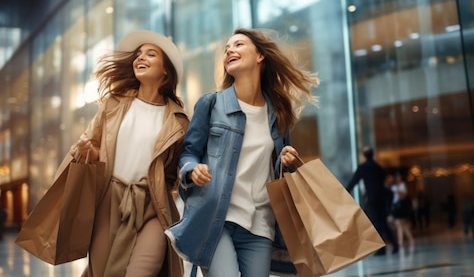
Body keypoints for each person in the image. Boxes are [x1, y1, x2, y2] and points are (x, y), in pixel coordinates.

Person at [165, 28, 320, 277]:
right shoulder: (211, 104)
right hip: (216, 219)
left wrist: (288, 160)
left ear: (260, 56)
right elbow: (188, 153)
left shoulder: (277, 113)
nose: (229, 51)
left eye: (238, 45)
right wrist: (192, 169)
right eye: (227, 49)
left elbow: (280, 169)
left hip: (261, 224)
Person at [70, 30, 189, 276]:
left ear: (165, 69)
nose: (139, 58)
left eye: (150, 54)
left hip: (154, 205)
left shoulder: (179, 120)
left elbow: (175, 172)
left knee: (143, 271)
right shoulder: (114, 104)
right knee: (103, 271)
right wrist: (86, 150)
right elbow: (92, 149)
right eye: (137, 55)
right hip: (109, 199)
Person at [345, 146, 399, 255]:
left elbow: (354, 181)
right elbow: (383, 182)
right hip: (381, 198)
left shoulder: (363, 167)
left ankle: (386, 246)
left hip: (372, 199)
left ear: (364, 155)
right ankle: (389, 245)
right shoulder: (378, 167)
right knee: (381, 221)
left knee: (376, 222)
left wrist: (346, 191)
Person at [390, 173, 415, 248]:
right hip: (394, 206)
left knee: (400, 223)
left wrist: (398, 192)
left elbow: (404, 195)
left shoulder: (402, 185)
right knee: (400, 224)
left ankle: (401, 241)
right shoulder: (392, 186)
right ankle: (407, 239)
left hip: (401, 206)